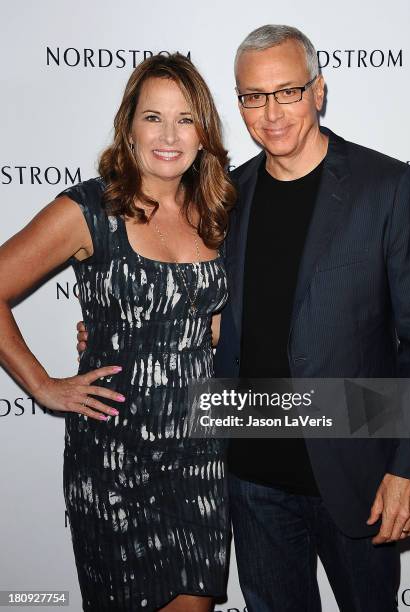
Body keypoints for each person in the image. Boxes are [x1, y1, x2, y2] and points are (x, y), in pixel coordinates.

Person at [76, 27, 410, 611]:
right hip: (250, 480)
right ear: (238, 102)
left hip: (357, 474)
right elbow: (189, 301)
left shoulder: (388, 188)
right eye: (253, 96)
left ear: (318, 91)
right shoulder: (225, 198)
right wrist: (116, 330)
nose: (271, 113)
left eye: (288, 91)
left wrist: (409, 468)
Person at [0, 53, 235, 612]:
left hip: (199, 455)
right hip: (113, 459)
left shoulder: (218, 210)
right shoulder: (88, 210)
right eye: (153, 117)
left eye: (185, 118)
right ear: (129, 128)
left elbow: (223, 328)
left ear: (203, 131)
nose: (170, 135)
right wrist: (43, 385)